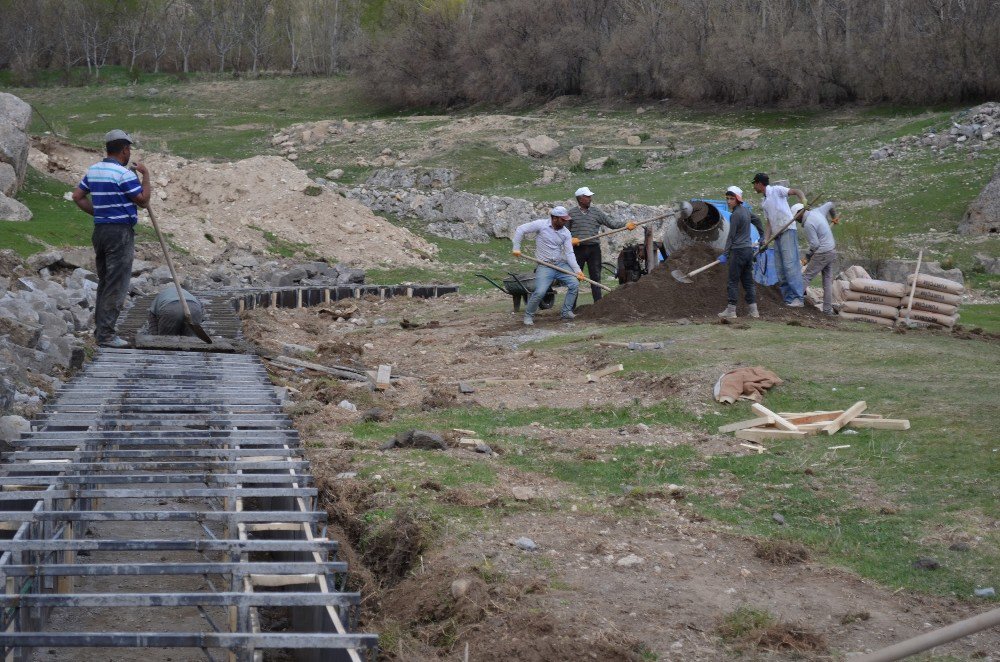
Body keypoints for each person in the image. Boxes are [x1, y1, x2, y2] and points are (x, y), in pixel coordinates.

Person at [71, 130, 151, 348]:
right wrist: (146, 176)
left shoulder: (94, 170)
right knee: (116, 283)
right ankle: (106, 335)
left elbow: (77, 196)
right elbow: (142, 201)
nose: (130, 153)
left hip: (101, 231)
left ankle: (101, 331)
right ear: (124, 149)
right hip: (120, 233)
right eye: (129, 149)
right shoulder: (123, 174)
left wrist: (99, 213)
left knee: (105, 281)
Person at [511, 206, 586, 325]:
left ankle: (566, 312)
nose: (565, 222)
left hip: (560, 265)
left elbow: (569, 253)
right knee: (540, 291)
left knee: (574, 284)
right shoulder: (541, 225)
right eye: (563, 219)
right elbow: (520, 229)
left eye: (566, 219)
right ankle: (528, 316)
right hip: (545, 266)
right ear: (554, 218)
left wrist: (577, 271)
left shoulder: (566, 233)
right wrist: (516, 248)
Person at [567, 186, 635, 302]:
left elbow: (611, 223)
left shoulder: (596, 212)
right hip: (577, 249)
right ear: (580, 199)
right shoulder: (571, 213)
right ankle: (570, 307)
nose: (590, 199)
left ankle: (598, 305)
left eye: (590, 197)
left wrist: (626, 224)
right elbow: (564, 232)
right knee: (575, 278)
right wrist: (570, 239)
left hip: (594, 249)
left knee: (596, 277)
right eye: (587, 197)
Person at [751, 173, 807, 307]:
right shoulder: (764, 202)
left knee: (790, 265)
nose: (754, 187)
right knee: (780, 268)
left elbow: (796, 191)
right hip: (776, 235)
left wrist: (803, 200)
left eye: (754, 184)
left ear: (759, 183)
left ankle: (798, 298)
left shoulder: (776, 190)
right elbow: (769, 222)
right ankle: (788, 299)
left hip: (787, 230)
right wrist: (765, 240)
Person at [718, 186, 766, 319]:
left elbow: (731, 236)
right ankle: (753, 310)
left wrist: (725, 253)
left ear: (738, 199)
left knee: (733, 281)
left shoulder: (735, 215)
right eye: (727, 198)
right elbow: (757, 220)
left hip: (738, 251)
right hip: (748, 251)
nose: (728, 201)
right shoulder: (746, 211)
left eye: (731, 199)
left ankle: (731, 311)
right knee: (748, 281)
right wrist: (762, 236)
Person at [793, 201, 839, 315]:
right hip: (831, 250)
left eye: (795, 217)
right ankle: (827, 310)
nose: (796, 220)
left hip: (822, 252)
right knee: (827, 281)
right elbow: (830, 204)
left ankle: (796, 301)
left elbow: (815, 245)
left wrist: (807, 257)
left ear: (800, 213)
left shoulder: (808, 224)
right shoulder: (818, 211)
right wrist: (834, 217)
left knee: (807, 276)